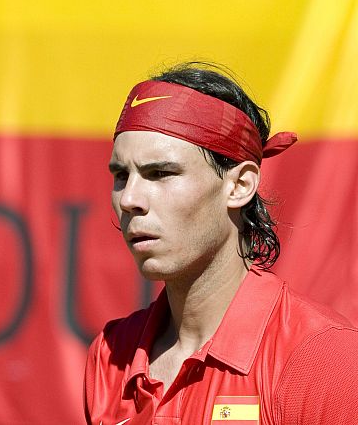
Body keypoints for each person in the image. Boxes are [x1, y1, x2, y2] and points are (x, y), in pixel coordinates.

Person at [84, 62, 358, 424]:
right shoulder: (109, 355)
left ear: (240, 185)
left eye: (160, 173)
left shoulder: (325, 359)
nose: (130, 198)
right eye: (121, 176)